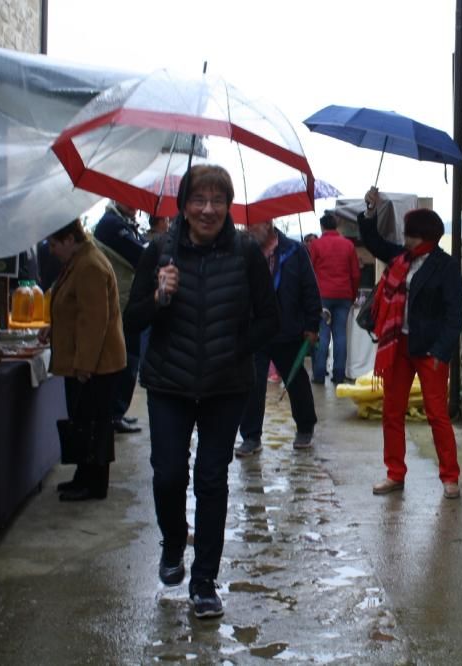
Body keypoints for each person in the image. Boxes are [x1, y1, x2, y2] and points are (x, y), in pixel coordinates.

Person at [123, 165, 280, 619]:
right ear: (184, 205)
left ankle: (204, 582)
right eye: (199, 199)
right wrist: (157, 297)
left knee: (212, 479)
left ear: (229, 206)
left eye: (217, 200)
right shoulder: (159, 251)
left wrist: (236, 346)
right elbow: (131, 320)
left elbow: (270, 320)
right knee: (169, 473)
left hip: (224, 385)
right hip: (169, 382)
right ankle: (174, 542)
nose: (208, 209)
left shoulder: (246, 253)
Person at [358, 187, 462, 499]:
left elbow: (454, 313)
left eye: (412, 235)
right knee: (392, 412)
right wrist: (370, 211)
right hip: (399, 346)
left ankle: (450, 477)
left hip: (430, 350)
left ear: (426, 236)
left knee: (437, 414)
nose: (406, 240)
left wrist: (440, 352)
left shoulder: (446, 267)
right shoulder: (401, 258)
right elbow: (374, 242)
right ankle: (395, 473)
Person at [38, 219, 126, 502]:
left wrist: (85, 365)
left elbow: (94, 321)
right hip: (90, 362)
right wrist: (56, 326)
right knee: (84, 421)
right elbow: (75, 309)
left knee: (93, 425)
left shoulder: (89, 266)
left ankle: (94, 484)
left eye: (53, 244)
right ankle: (83, 476)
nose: (51, 250)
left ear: (68, 239)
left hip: (96, 365)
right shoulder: (81, 260)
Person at [236, 222, 322, 457]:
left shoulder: (294, 251)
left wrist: (312, 324)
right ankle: (251, 436)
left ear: (269, 223)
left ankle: (305, 427)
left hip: (288, 328)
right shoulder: (245, 252)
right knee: (252, 383)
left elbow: (309, 288)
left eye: (255, 224)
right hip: (255, 329)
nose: (251, 229)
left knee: (296, 381)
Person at [93, 200, 146, 435]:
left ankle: (117, 413)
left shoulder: (124, 224)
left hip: (125, 303)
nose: (135, 204)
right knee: (123, 362)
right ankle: (114, 415)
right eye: (130, 199)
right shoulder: (111, 225)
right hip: (118, 305)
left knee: (129, 361)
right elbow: (140, 255)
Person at [308, 214, 359, 386]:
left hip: (322, 296)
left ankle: (319, 374)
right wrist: (352, 295)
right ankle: (339, 375)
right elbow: (355, 273)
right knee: (340, 335)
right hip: (344, 295)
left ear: (322, 226)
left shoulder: (316, 245)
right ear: (336, 226)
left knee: (323, 335)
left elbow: (310, 272)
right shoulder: (348, 245)